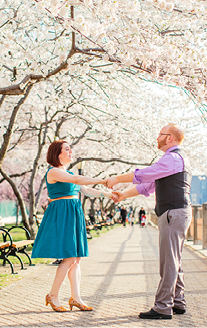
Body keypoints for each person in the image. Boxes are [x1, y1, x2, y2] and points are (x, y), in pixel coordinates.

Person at [107, 124, 191, 320]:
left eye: (160, 134)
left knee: (168, 262)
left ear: (169, 138)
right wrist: (123, 195)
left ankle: (163, 307)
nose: (157, 137)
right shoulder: (175, 159)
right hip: (177, 212)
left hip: (173, 213)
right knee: (174, 259)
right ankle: (177, 301)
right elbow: (147, 186)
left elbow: (144, 175)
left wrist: (117, 179)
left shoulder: (172, 158)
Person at [30, 140, 108, 312]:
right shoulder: (54, 172)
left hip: (73, 213)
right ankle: (53, 295)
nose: (71, 152)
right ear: (57, 154)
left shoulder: (69, 173)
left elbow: (85, 190)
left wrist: (108, 194)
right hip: (63, 214)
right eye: (67, 149)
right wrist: (102, 180)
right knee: (69, 258)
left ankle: (75, 298)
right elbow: (76, 179)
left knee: (76, 258)